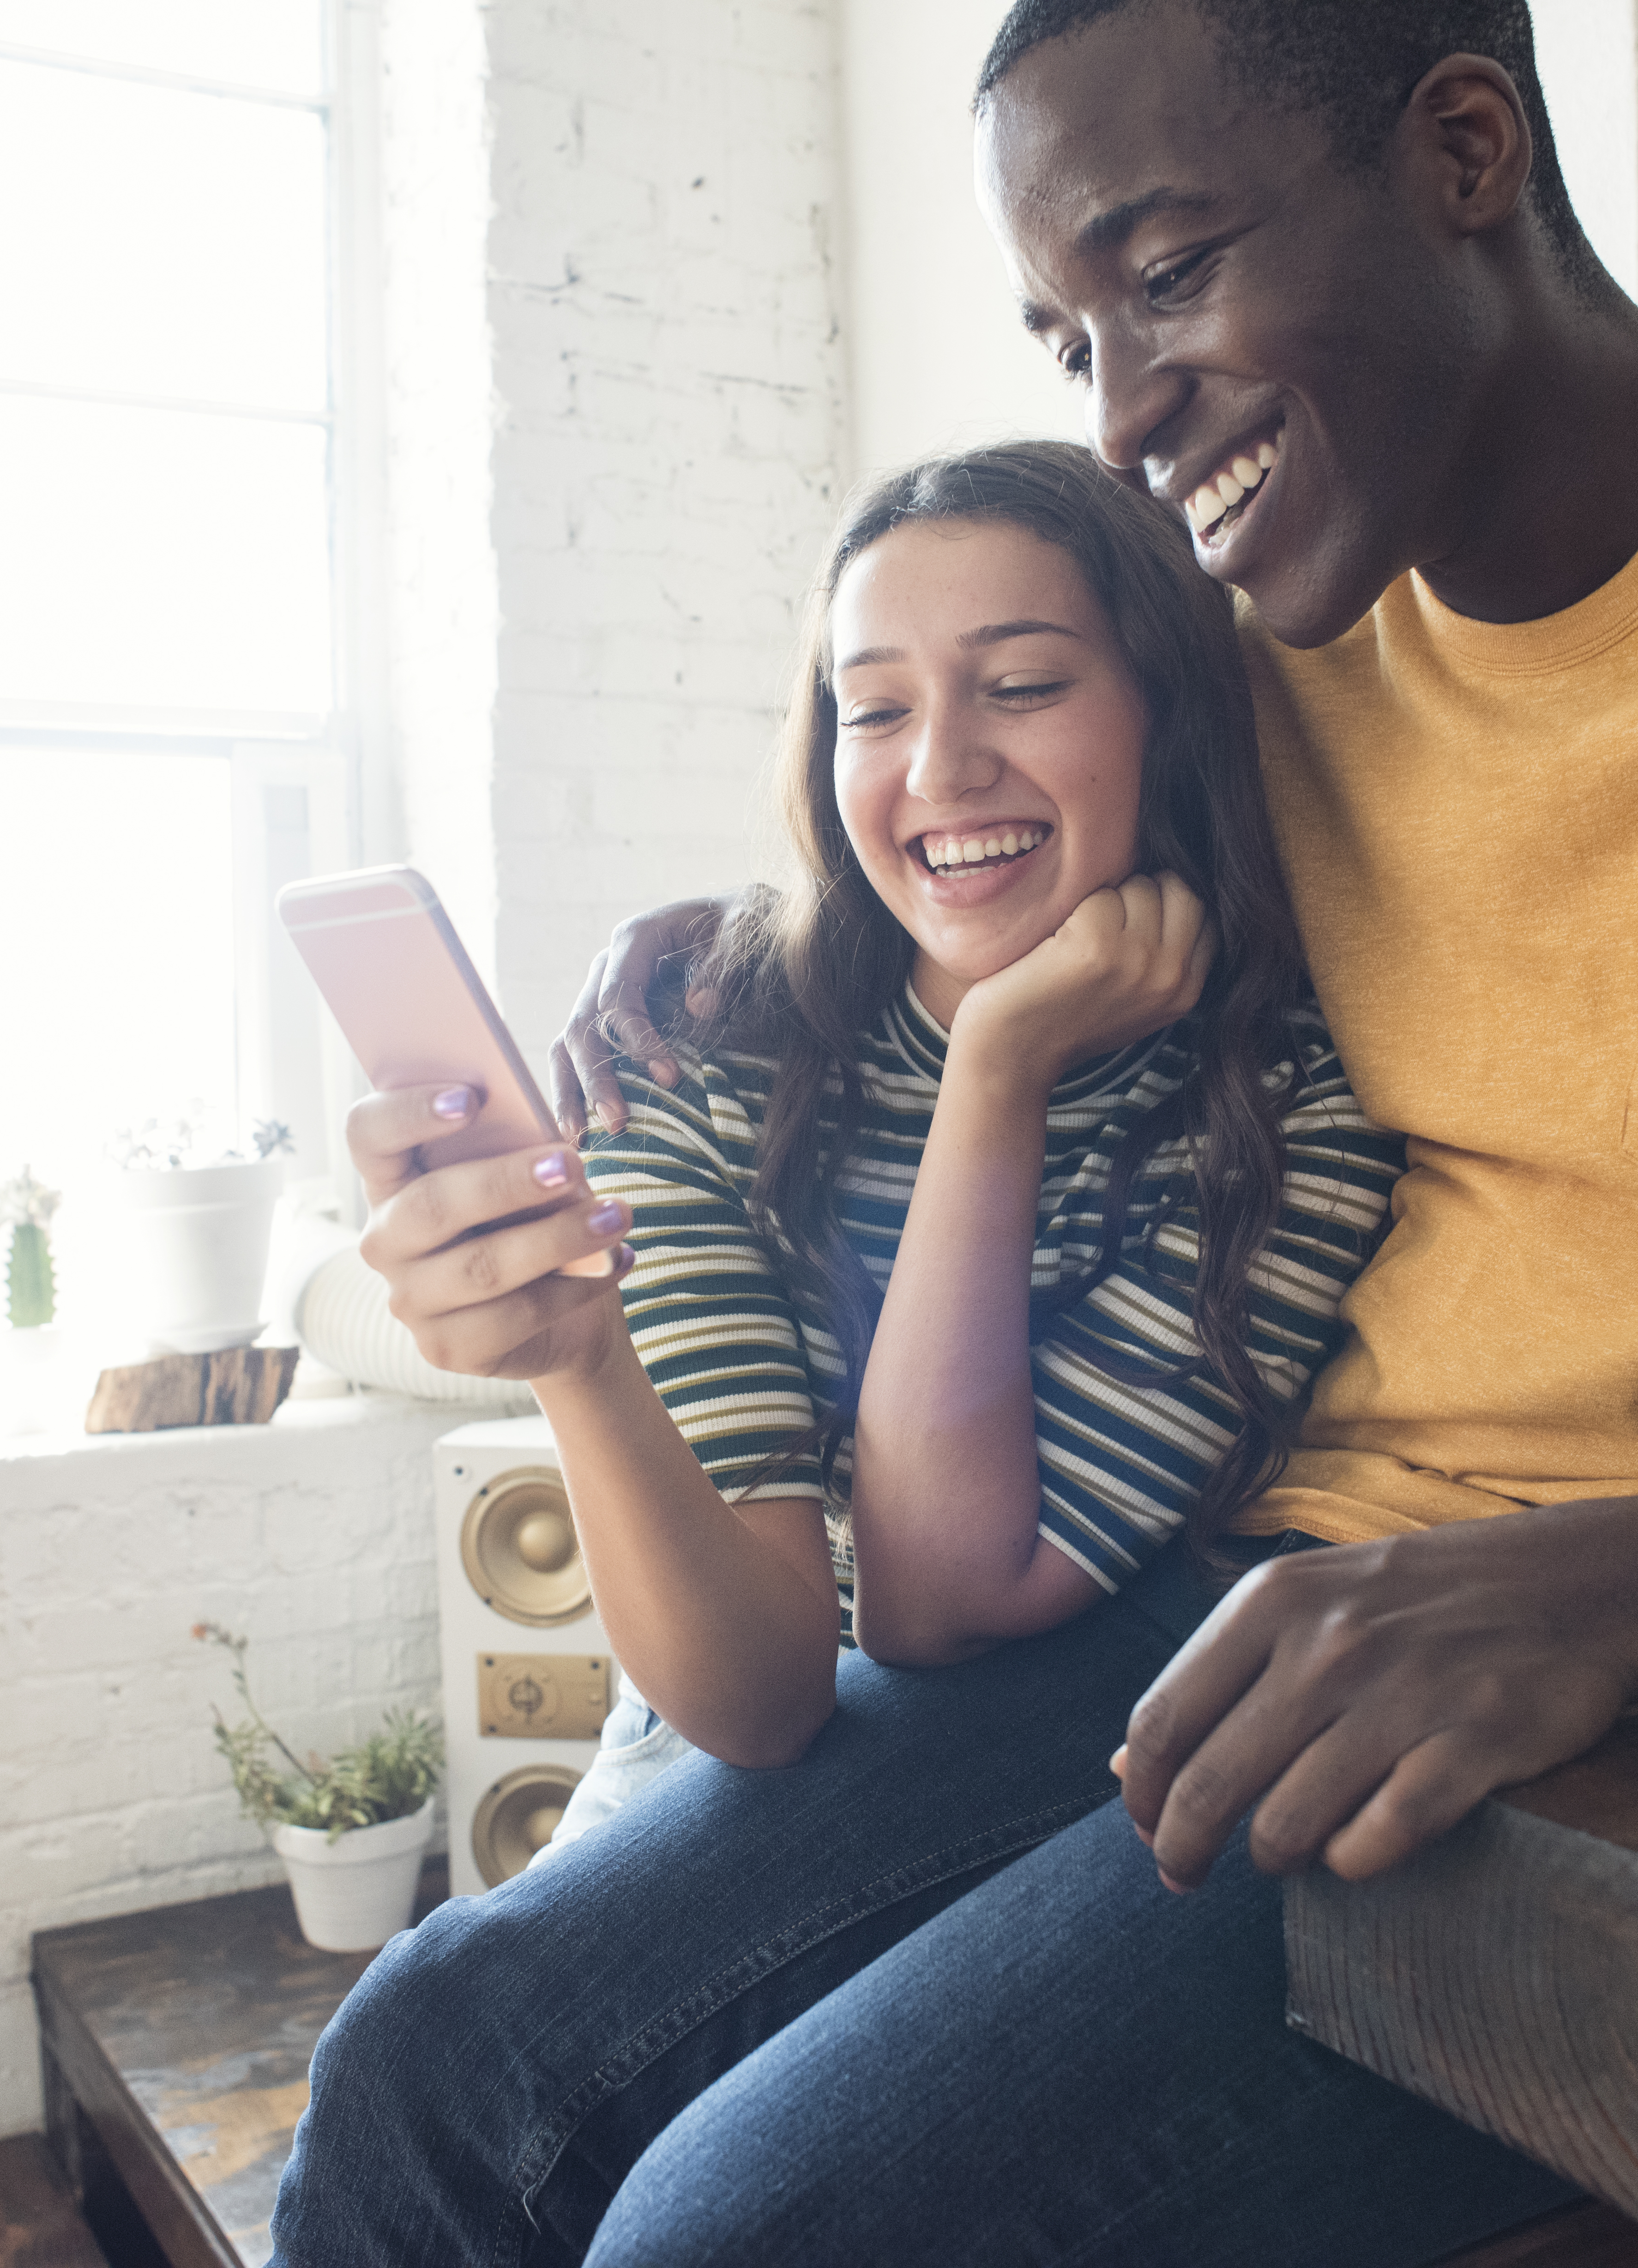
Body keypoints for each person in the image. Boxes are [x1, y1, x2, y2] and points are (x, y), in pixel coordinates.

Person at [307, 0, 1638, 2258]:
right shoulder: (1244, 630)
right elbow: (935, 886)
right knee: (435, 2062)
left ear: (1464, 149)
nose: (1120, 415)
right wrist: (652, 1076)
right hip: (1217, 1593)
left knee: (733, 2234)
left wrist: (1599, 1590)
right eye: (1064, 334)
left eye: (1171, 271)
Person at [472, 441, 1405, 1856]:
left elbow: (928, 1604)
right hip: (687, 1771)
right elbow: (758, 1699)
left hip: (1013, 1788)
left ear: (1172, 709)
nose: (942, 768)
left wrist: (998, 1070)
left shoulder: (1287, 1120)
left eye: (1024, 686)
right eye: (875, 709)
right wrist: (575, 1364)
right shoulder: (692, 1044)